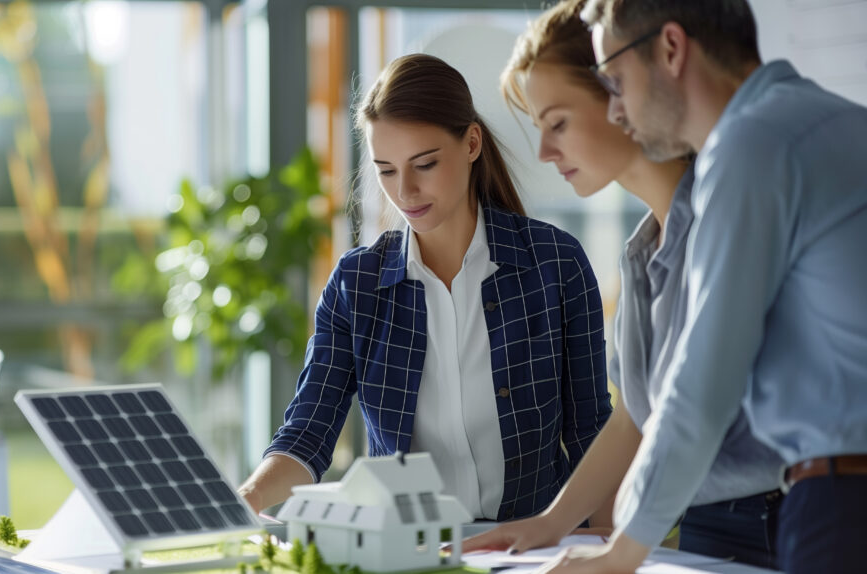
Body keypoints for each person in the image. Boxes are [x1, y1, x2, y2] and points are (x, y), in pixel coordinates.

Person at [499, 1, 867, 572]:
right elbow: (647, 411)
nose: (618, 109)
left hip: (836, 501)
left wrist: (621, 552)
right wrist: (559, 522)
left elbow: (702, 383)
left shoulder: (752, 145)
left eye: (615, 82)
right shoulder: (822, 121)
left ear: (671, 49)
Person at [237, 53, 612, 522]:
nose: (405, 191)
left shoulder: (555, 264)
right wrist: (240, 503)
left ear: (471, 143)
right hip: (405, 551)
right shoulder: (358, 285)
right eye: (386, 170)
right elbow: (307, 434)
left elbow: (590, 435)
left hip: (531, 549)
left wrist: (612, 551)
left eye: (425, 164)